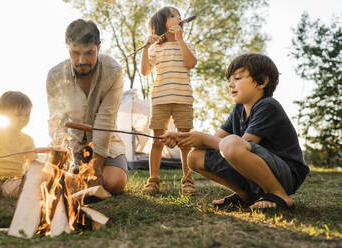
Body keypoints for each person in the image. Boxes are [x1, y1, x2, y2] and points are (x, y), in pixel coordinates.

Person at [162, 53, 309, 209]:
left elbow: (240, 144)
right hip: (256, 171)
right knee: (195, 157)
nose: (231, 84)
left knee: (232, 144)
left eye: (237, 78)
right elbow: (214, 141)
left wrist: (203, 139)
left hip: (285, 173)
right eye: (229, 80)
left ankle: (278, 194)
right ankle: (247, 196)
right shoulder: (238, 109)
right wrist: (183, 139)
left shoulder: (267, 105)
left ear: (262, 82)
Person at [46, 19, 127, 194]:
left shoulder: (114, 71)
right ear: (67, 47)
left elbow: (105, 120)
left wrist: (95, 168)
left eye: (89, 53)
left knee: (114, 182)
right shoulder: (54, 76)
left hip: (106, 144)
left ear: (99, 47)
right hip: (72, 145)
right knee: (53, 182)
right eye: (75, 53)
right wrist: (65, 151)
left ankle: (84, 176)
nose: (82, 60)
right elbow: (56, 122)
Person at [140, 6, 197, 195]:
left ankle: (188, 180)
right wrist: (146, 48)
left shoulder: (187, 45)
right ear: (161, 24)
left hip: (183, 99)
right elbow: (145, 71)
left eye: (179, 15)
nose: (179, 17)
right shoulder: (156, 48)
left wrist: (180, 40)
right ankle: (153, 180)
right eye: (173, 16)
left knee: (185, 141)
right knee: (157, 139)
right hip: (160, 99)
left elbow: (190, 64)